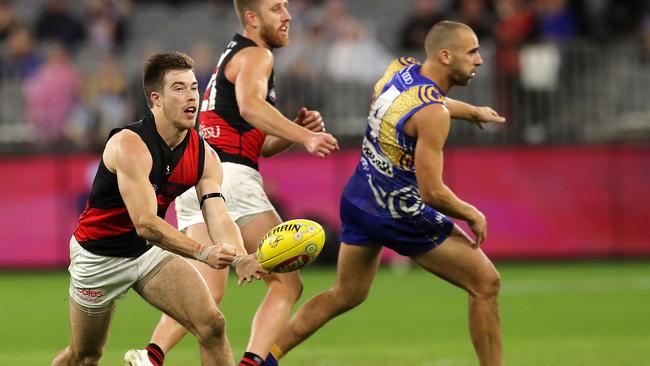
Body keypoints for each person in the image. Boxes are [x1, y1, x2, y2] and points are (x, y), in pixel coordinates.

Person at [268, 21, 504, 366]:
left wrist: (472, 112)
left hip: (359, 199)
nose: (479, 60)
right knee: (486, 283)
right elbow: (432, 191)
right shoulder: (433, 115)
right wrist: (471, 212)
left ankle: (264, 356)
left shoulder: (400, 69)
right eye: (472, 52)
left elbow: (426, 101)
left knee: (345, 294)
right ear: (445, 56)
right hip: (398, 212)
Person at [125, 1, 339, 366]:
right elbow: (251, 108)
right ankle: (251, 363)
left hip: (197, 173)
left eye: (287, 6)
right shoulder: (256, 56)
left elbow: (254, 140)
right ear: (252, 18)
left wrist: (292, 130)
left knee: (207, 287)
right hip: (232, 179)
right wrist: (305, 137)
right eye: (277, 8)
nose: (287, 15)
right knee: (287, 284)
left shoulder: (233, 56)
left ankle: (150, 356)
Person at [52, 51, 267, 366]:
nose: (191, 95)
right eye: (179, 88)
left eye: (194, 87)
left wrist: (240, 256)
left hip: (145, 253)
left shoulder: (205, 155)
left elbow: (217, 213)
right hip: (98, 258)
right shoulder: (129, 145)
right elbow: (146, 222)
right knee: (84, 356)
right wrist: (202, 252)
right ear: (156, 99)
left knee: (212, 325)